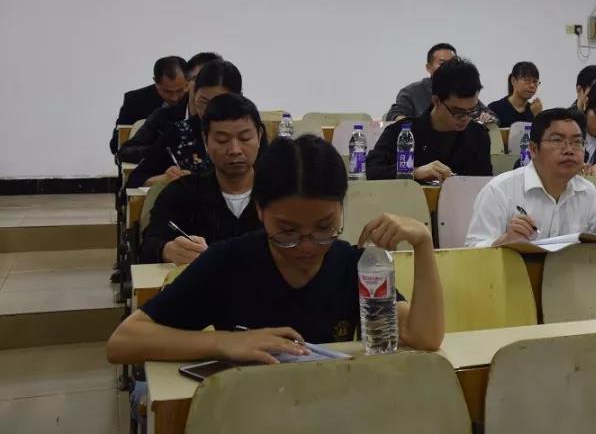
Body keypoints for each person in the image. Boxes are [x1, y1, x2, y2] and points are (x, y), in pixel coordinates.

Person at [106, 135, 444, 365]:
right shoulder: (228, 262)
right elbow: (124, 341)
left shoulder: (351, 265)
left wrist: (423, 243)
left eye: (324, 228)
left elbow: (424, 337)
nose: (307, 245)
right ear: (260, 211)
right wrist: (226, 343)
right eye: (287, 231)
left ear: (341, 210)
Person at [139, 94, 265, 264]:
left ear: (259, 136)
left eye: (245, 138)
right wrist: (167, 250)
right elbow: (148, 246)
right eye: (222, 140)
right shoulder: (182, 192)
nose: (235, 150)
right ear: (206, 140)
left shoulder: (280, 193)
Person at [465, 108, 596, 247]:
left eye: (577, 142)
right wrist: (504, 242)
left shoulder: (588, 193)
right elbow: (473, 249)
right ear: (533, 149)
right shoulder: (499, 190)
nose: (569, 150)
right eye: (557, 140)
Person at [367, 58, 493, 182]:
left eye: (472, 110)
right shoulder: (402, 132)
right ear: (436, 101)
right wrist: (412, 172)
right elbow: (371, 170)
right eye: (458, 112)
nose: (465, 118)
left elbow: (484, 183)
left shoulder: (478, 135)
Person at [127, 60, 243, 189]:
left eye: (219, 103)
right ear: (193, 94)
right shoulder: (179, 132)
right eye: (203, 102)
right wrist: (165, 179)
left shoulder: (248, 132)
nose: (209, 111)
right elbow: (134, 180)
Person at [117, 52, 223, 164]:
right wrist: (168, 152)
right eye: (200, 80)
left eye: (215, 81)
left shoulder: (231, 116)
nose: (174, 98)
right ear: (187, 84)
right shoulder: (162, 115)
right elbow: (125, 152)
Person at [385, 43, 494, 124]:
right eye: (442, 64)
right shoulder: (411, 92)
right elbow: (394, 115)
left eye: (453, 63)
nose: (448, 68)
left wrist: (487, 117)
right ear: (428, 67)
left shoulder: (461, 90)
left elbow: (492, 116)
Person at [110, 56, 188, 154]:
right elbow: (116, 145)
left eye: (180, 90)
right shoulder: (135, 101)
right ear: (155, 81)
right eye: (167, 92)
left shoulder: (195, 99)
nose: (174, 98)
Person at [487, 61, 543, 126]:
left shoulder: (535, 110)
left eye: (535, 81)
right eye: (527, 80)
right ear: (513, 81)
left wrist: (538, 116)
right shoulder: (495, 109)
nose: (532, 85)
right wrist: (530, 115)